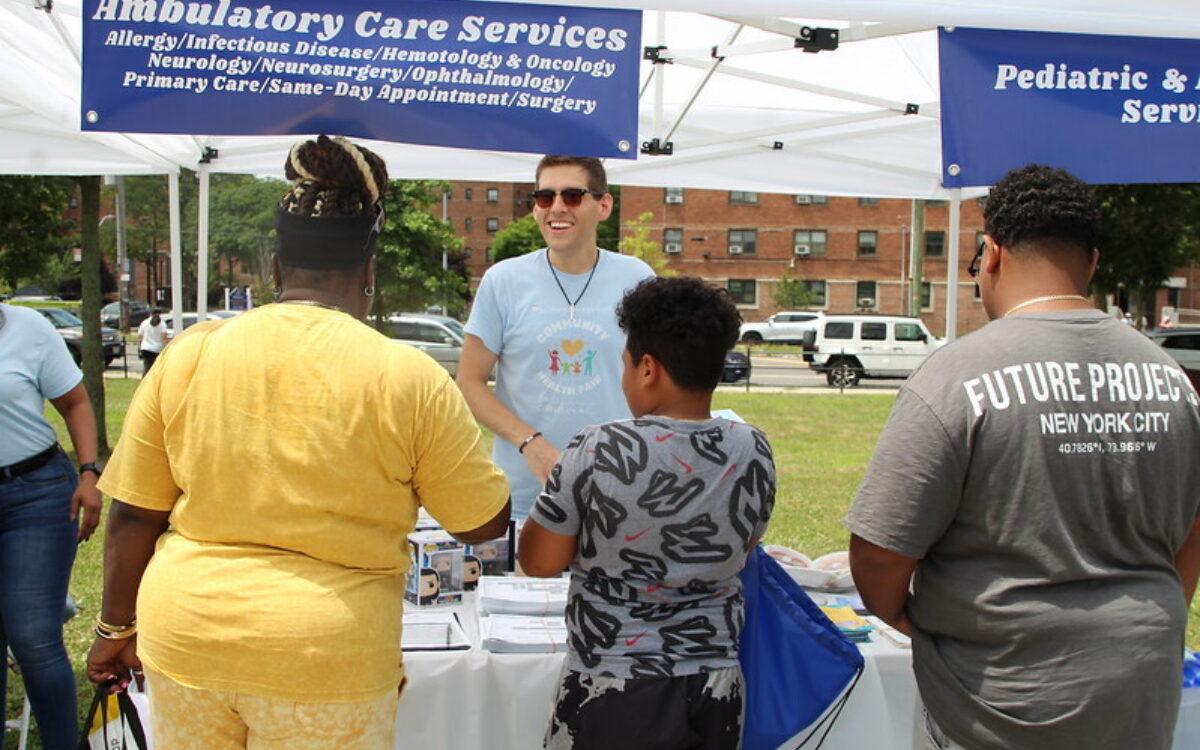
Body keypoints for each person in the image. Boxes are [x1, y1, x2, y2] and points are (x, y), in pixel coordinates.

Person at [85, 134, 511, 750]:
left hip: (188, 638)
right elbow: (479, 523)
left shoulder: (191, 353)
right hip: (326, 654)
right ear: (369, 270)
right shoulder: (408, 375)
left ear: (275, 270)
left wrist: (113, 628)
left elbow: (131, 514)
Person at [844, 164, 1200, 750]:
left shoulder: (957, 374)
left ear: (992, 253)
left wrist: (906, 617)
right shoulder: (1171, 377)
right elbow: (1191, 530)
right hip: (1140, 685)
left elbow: (880, 553)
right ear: (1091, 263)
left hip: (997, 698)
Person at [519, 276, 776, 750]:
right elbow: (742, 548)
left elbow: (539, 560)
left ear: (648, 369)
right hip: (715, 683)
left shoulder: (598, 447)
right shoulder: (753, 449)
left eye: (625, 364)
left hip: (612, 684)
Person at [457, 155, 655, 519]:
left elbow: (659, 379)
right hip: (524, 499)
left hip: (618, 494)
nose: (557, 208)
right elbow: (469, 382)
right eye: (545, 197)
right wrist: (529, 443)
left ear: (604, 205)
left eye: (573, 196)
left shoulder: (637, 279)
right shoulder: (503, 281)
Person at [0, 302, 102, 750]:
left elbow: (75, 402)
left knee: (33, 638)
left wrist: (89, 473)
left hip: (36, 494)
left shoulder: (28, 327)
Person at [136, 307, 168, 373]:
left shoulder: (144, 322)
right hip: (157, 348)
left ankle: (145, 381)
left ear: (151, 314)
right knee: (156, 367)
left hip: (146, 348)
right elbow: (164, 337)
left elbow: (140, 335)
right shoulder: (162, 324)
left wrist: (145, 341)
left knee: (147, 366)